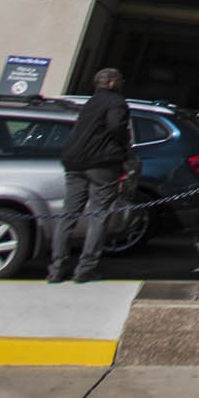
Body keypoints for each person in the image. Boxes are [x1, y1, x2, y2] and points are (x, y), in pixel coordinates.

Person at [50, 68, 134, 284]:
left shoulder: (89, 103)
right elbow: (116, 126)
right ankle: (86, 268)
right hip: (102, 162)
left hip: (74, 160)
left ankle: (57, 267)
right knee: (99, 215)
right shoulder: (116, 102)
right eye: (119, 80)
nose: (121, 83)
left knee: (69, 214)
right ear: (111, 83)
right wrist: (125, 146)